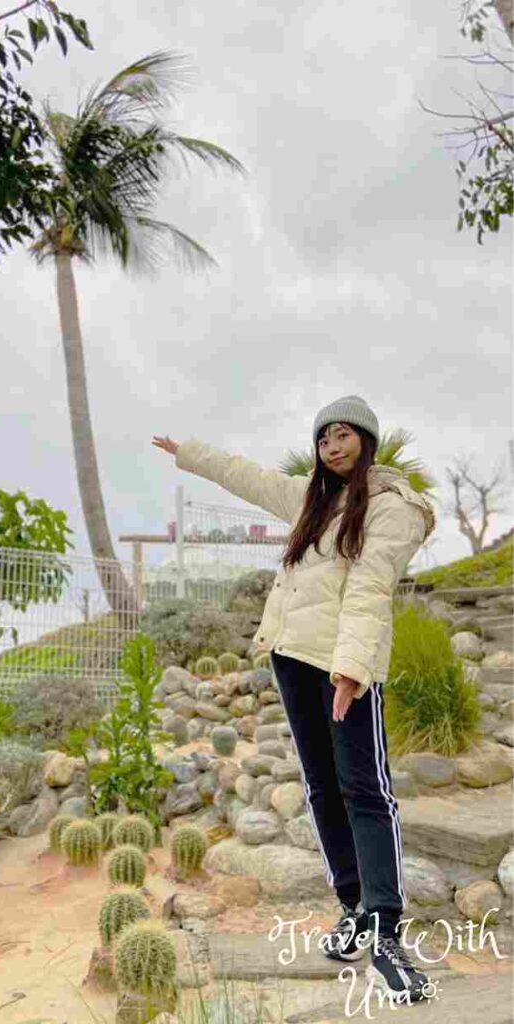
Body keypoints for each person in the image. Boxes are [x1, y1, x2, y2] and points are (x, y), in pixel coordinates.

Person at [152, 395, 438, 1005]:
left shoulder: (392, 507)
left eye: (342, 436)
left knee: (366, 789)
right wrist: (189, 454)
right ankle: (353, 905)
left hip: (344, 667)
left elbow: (369, 587)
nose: (332, 448)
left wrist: (352, 669)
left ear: (365, 440)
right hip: (293, 658)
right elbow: (248, 477)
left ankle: (387, 934)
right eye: (323, 439)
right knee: (320, 787)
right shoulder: (313, 499)